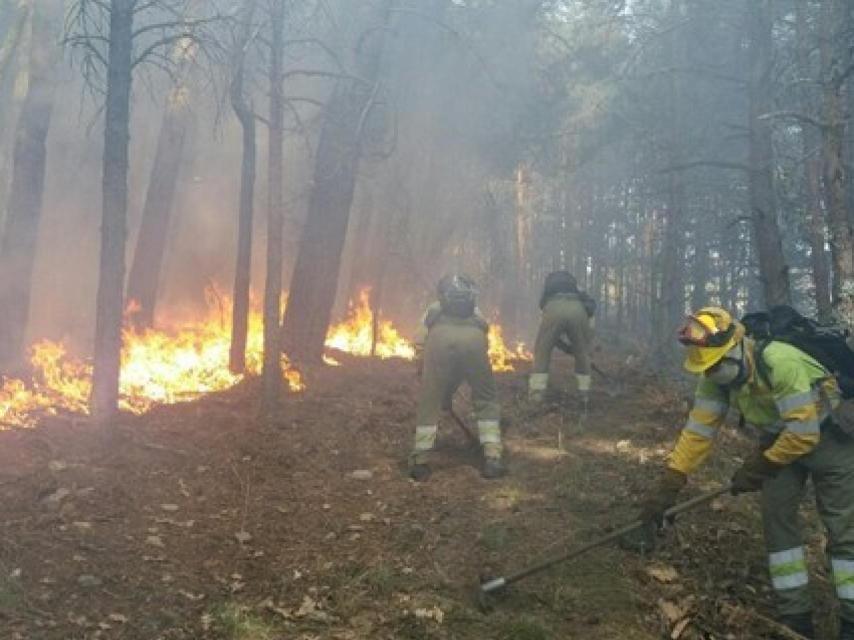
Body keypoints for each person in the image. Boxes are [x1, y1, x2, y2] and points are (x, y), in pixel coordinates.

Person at [634, 306, 852, 639]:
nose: (714, 372)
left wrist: (760, 465)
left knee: (844, 531)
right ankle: (795, 618)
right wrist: (670, 482)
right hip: (778, 443)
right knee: (778, 527)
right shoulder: (714, 380)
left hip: (831, 438)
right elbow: (698, 433)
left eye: (718, 365)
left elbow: (804, 432)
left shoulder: (779, 360)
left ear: (736, 346)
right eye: (708, 368)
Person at [408, 274, 504, 481]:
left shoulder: (434, 309)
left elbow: (419, 339)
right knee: (486, 398)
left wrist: (421, 364)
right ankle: (493, 456)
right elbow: (485, 329)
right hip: (475, 341)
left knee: (430, 399)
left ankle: (420, 460)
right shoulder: (474, 310)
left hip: (439, 341)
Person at [528, 270, 596, 404]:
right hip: (578, 309)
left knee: (542, 351)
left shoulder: (548, 289)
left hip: (553, 308)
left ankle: (537, 394)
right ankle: (584, 394)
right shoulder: (576, 288)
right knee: (582, 354)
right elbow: (591, 311)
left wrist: (560, 344)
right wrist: (580, 347)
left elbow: (542, 306)